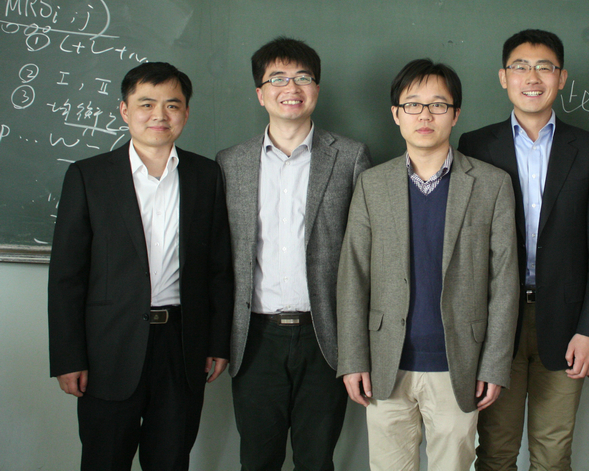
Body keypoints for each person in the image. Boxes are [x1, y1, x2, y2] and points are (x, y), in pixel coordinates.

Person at [48, 61, 234, 471]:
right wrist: (67, 357)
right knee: (104, 460)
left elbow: (219, 270)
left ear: (186, 113)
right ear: (124, 110)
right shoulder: (88, 176)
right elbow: (66, 277)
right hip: (108, 348)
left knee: (170, 460)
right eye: (146, 104)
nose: (159, 115)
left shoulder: (206, 175)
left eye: (172, 105)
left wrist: (218, 343)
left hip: (181, 345)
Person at [337, 58, 519, 471]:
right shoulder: (372, 184)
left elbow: (504, 281)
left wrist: (494, 365)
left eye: (438, 105)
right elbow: (353, 276)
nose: (424, 115)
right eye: (413, 105)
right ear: (396, 114)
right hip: (387, 363)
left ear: (455, 114)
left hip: (459, 365)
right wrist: (353, 358)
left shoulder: (491, 184)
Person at [458, 29, 589, 471]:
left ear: (561, 78)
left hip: (567, 326)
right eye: (520, 67)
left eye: (544, 67)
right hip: (496, 325)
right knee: (495, 452)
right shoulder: (475, 146)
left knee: (553, 455)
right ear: (503, 77)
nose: (532, 77)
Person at [216, 36, 371, 471]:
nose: (291, 88)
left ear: (316, 89)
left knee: (317, 460)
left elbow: (364, 256)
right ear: (260, 93)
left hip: (324, 337)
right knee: (257, 460)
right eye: (278, 78)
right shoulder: (230, 163)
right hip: (255, 337)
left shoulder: (350, 157)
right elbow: (219, 261)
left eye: (303, 77)